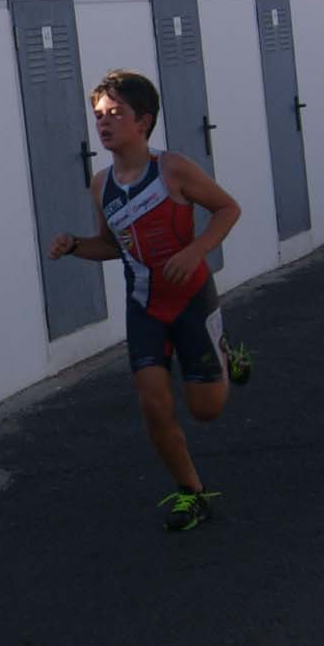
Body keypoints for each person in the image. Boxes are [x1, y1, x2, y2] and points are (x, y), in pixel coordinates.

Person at [45, 70, 252, 532]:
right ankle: (191, 493)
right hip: (144, 307)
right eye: (99, 115)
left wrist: (196, 250)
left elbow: (228, 208)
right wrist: (75, 245)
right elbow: (111, 245)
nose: (103, 122)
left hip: (191, 298)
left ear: (144, 121)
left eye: (115, 113)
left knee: (206, 410)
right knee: (154, 406)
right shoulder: (101, 185)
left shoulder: (172, 169)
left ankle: (223, 353)